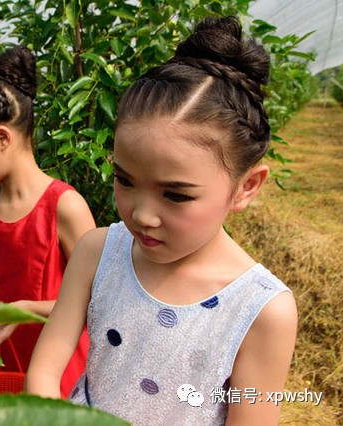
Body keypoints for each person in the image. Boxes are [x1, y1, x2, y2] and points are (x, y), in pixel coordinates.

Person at [25, 16, 298, 425]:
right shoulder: (98, 253)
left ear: (246, 187)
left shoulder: (260, 310)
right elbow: (45, 370)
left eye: (176, 195)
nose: (142, 214)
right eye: (124, 180)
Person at [0, 45, 95, 397]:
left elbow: (97, 299)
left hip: (54, 358)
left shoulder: (65, 207)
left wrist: (25, 310)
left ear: (1, 137)